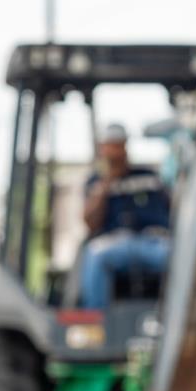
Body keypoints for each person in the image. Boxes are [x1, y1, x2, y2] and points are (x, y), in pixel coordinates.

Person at [79, 123, 171, 310]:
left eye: (118, 146)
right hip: (115, 244)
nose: (115, 153)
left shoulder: (149, 176)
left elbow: (171, 210)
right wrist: (107, 182)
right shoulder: (95, 183)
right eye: (109, 147)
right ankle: (96, 321)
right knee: (96, 256)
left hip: (153, 242)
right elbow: (90, 222)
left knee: (178, 256)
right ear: (102, 150)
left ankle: (176, 316)